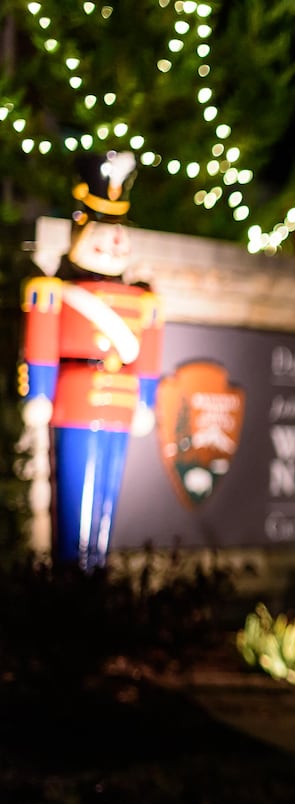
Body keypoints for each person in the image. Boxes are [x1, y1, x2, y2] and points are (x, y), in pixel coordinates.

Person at [19, 150, 163, 570]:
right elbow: (43, 344)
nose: (114, 240)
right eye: (102, 226)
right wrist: (39, 392)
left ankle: (94, 580)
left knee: (106, 501)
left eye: (119, 228)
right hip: (77, 399)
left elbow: (149, 357)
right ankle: (71, 581)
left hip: (119, 401)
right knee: (74, 496)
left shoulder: (143, 299)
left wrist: (146, 402)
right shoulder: (54, 290)